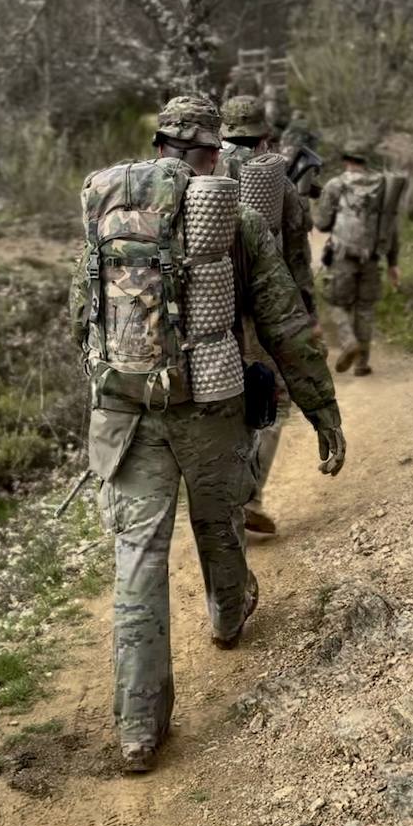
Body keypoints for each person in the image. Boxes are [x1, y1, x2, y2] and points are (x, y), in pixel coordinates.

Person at [70, 93, 345, 774]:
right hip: (207, 406)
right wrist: (322, 412)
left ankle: (139, 727)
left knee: (137, 561)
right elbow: (283, 323)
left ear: (158, 143)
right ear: (211, 152)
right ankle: (227, 615)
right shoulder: (234, 216)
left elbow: (84, 314)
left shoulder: (105, 209)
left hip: (124, 409)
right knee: (218, 520)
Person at [216, 94, 317, 535]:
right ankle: (249, 494)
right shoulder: (278, 184)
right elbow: (296, 251)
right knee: (271, 400)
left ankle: (217, 497)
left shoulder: (198, 173)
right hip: (262, 314)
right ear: (267, 136)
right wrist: (304, 311)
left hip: (209, 313)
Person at [316, 142, 404, 378]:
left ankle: (348, 342)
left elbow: (322, 223)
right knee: (364, 309)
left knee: (336, 303)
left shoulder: (336, 185)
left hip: (342, 256)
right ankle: (362, 364)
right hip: (373, 258)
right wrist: (393, 263)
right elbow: (391, 227)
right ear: (366, 162)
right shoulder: (384, 187)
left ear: (347, 160)